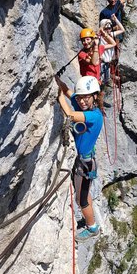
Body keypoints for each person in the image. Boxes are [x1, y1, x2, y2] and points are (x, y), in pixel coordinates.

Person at [55, 75, 104, 242]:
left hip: (85, 164)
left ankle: (92, 228)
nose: (82, 101)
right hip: (83, 160)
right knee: (84, 193)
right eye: (81, 97)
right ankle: (90, 219)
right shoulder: (86, 107)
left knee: (81, 199)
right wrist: (57, 82)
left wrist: (57, 93)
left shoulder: (94, 116)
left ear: (95, 97)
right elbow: (69, 92)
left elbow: (68, 113)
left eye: (86, 98)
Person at [99, 13, 125, 87]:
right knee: (101, 82)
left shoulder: (111, 34)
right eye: (106, 28)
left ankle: (110, 78)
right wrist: (104, 25)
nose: (108, 30)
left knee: (105, 82)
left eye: (110, 28)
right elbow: (99, 31)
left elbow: (122, 30)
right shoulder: (99, 38)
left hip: (108, 63)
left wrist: (115, 19)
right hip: (102, 63)